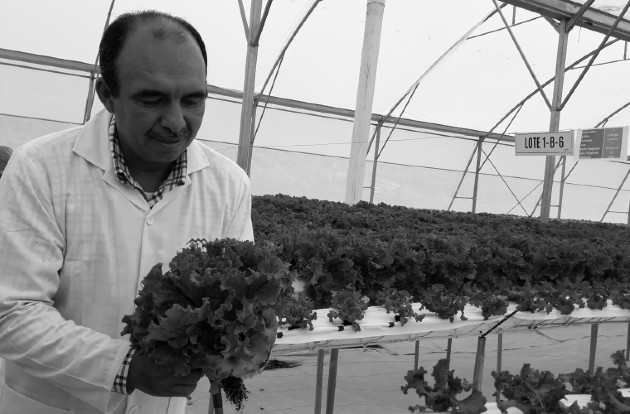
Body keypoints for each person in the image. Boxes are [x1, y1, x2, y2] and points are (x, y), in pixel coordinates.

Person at [0, 11, 254, 414]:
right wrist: (125, 368)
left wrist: (251, 330)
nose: (175, 122)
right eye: (151, 99)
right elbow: (12, 311)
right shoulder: (39, 170)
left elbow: (239, 298)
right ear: (106, 93)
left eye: (192, 100)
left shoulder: (228, 185)